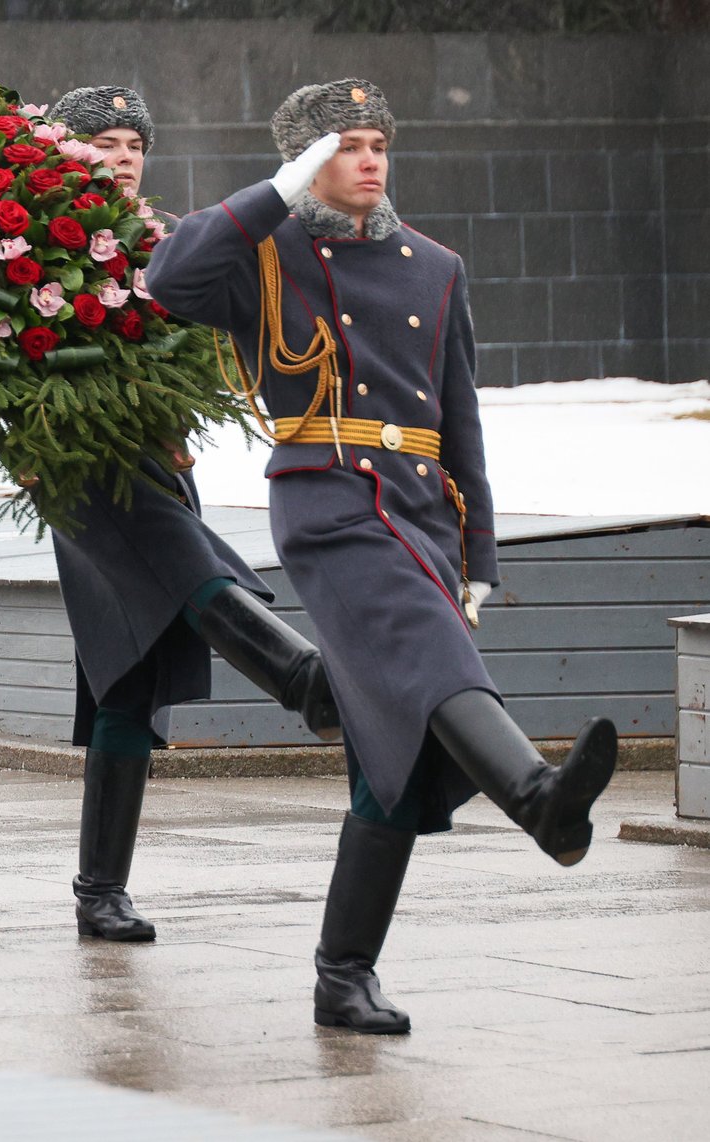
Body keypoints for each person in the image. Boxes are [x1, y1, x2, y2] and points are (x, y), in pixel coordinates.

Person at [147, 79, 618, 1033]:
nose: (369, 159)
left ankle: (342, 976)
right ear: (304, 162)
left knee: (391, 758)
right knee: (426, 655)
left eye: (377, 144)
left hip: (420, 513)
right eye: (345, 145)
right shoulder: (262, 251)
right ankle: (534, 794)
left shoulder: (433, 265)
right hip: (328, 505)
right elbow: (168, 280)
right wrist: (275, 191)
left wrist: (477, 547)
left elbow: (460, 418)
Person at [43, 86, 341, 945]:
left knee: (129, 681)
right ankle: (297, 674)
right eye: (104, 139)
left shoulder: (172, 239)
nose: (124, 154)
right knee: (166, 579)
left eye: (135, 141)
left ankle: (101, 890)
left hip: (161, 453)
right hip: (74, 461)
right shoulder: (22, 233)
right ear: (65, 147)